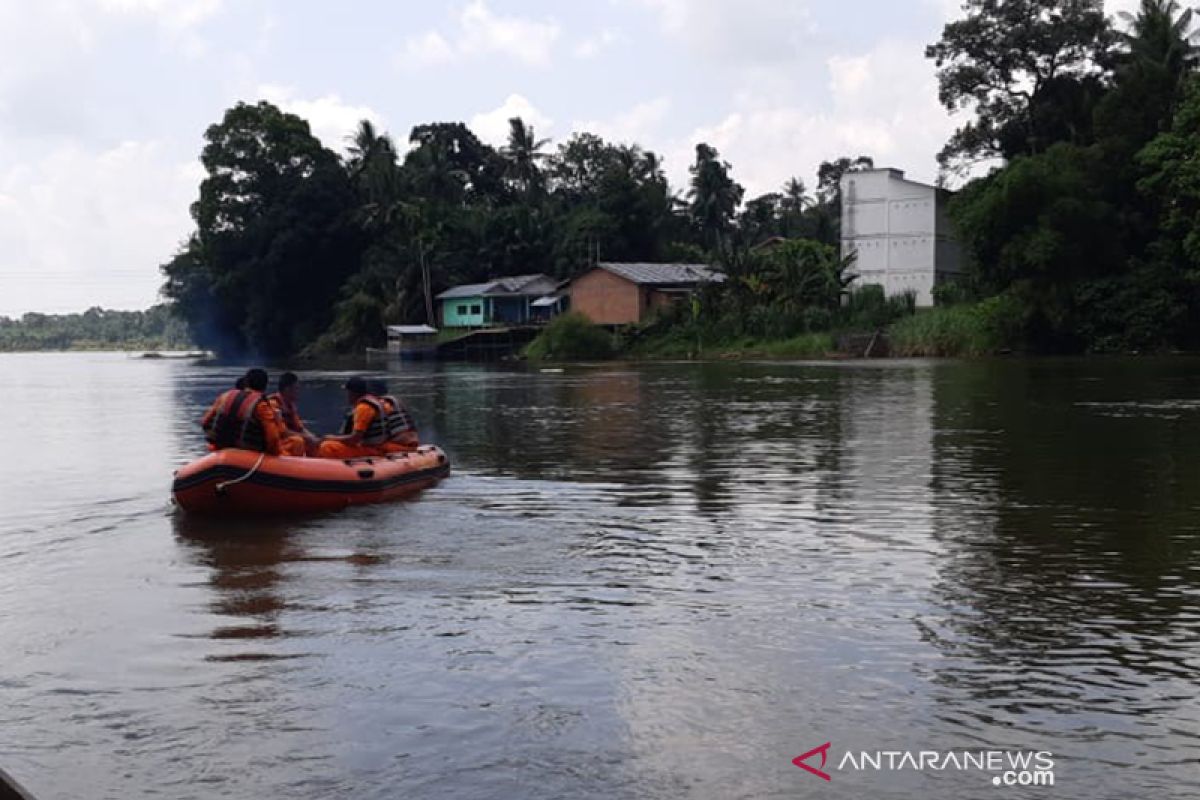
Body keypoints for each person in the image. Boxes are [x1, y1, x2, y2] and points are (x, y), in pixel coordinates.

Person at [200, 368, 288, 455]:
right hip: (249, 453)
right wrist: (277, 455)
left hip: (220, 448)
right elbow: (272, 438)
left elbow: (205, 422)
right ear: (265, 386)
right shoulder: (262, 405)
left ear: (246, 383)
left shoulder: (224, 396)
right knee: (296, 442)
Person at [316, 376, 389, 459]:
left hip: (371, 450)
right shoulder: (373, 403)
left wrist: (332, 438)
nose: (347, 395)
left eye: (348, 392)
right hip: (376, 446)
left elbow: (355, 439)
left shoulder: (363, 408)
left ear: (353, 393)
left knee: (327, 446)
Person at [268, 371, 319, 456]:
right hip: (277, 441)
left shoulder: (290, 405)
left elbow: (300, 428)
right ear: (287, 389)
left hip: (288, 439)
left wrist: (313, 438)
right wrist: (306, 437)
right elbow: (283, 432)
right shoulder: (273, 404)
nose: (298, 391)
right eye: (296, 388)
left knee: (312, 441)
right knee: (298, 441)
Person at [368, 379, 420, 452]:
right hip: (413, 440)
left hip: (400, 444)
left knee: (375, 446)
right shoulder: (396, 401)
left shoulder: (378, 405)